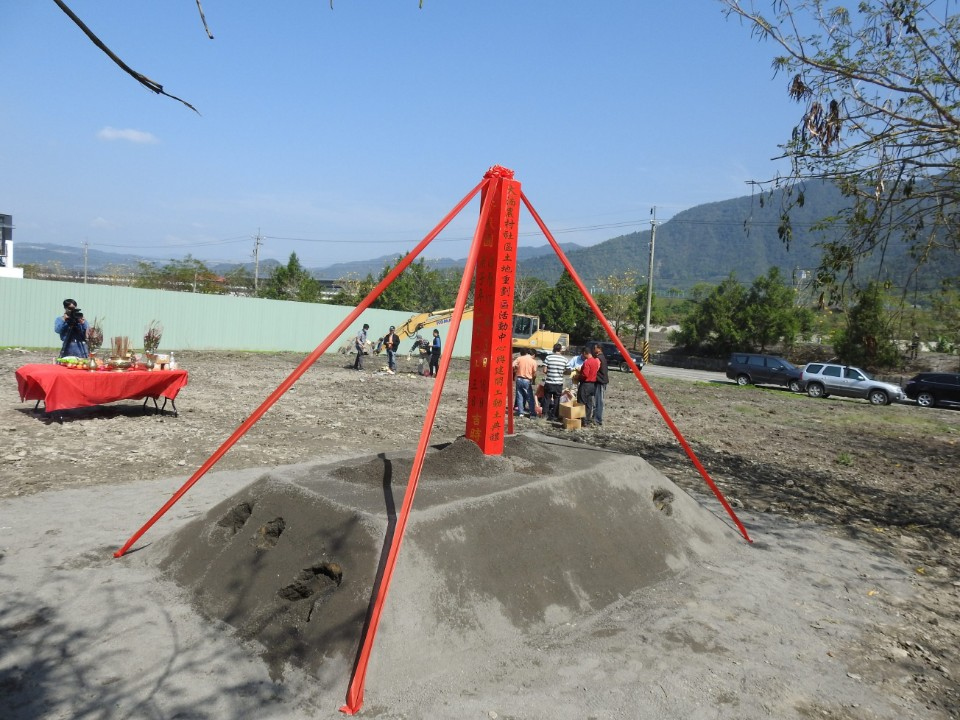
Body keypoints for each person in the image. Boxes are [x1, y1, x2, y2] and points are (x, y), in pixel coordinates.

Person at [541, 343, 567, 421]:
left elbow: (544, 370)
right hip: (558, 383)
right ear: (560, 349)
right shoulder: (564, 359)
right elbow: (568, 370)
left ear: (553, 349)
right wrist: (562, 372)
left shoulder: (548, 358)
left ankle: (544, 415)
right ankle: (554, 416)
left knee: (547, 398)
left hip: (549, 382)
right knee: (557, 399)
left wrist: (549, 372)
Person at [512, 348, 539, 418]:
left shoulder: (520, 358)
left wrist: (516, 368)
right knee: (529, 397)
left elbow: (512, 365)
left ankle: (521, 412)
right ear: (533, 355)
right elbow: (534, 373)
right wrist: (533, 379)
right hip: (527, 380)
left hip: (519, 379)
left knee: (519, 396)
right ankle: (532, 413)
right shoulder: (533, 361)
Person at [577, 345, 600, 426]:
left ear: (585, 353)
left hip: (585, 384)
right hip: (592, 384)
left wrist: (578, 376)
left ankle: (581, 419)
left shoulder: (587, 362)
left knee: (582, 402)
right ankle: (587, 419)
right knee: (589, 403)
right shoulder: (595, 361)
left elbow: (585, 374)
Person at [591, 342, 610, 426]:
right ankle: (595, 417)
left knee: (598, 401)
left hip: (600, 382)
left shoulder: (598, 358)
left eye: (595, 348)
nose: (594, 349)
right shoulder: (603, 357)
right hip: (601, 381)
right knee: (597, 400)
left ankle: (598, 419)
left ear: (599, 349)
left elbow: (595, 369)